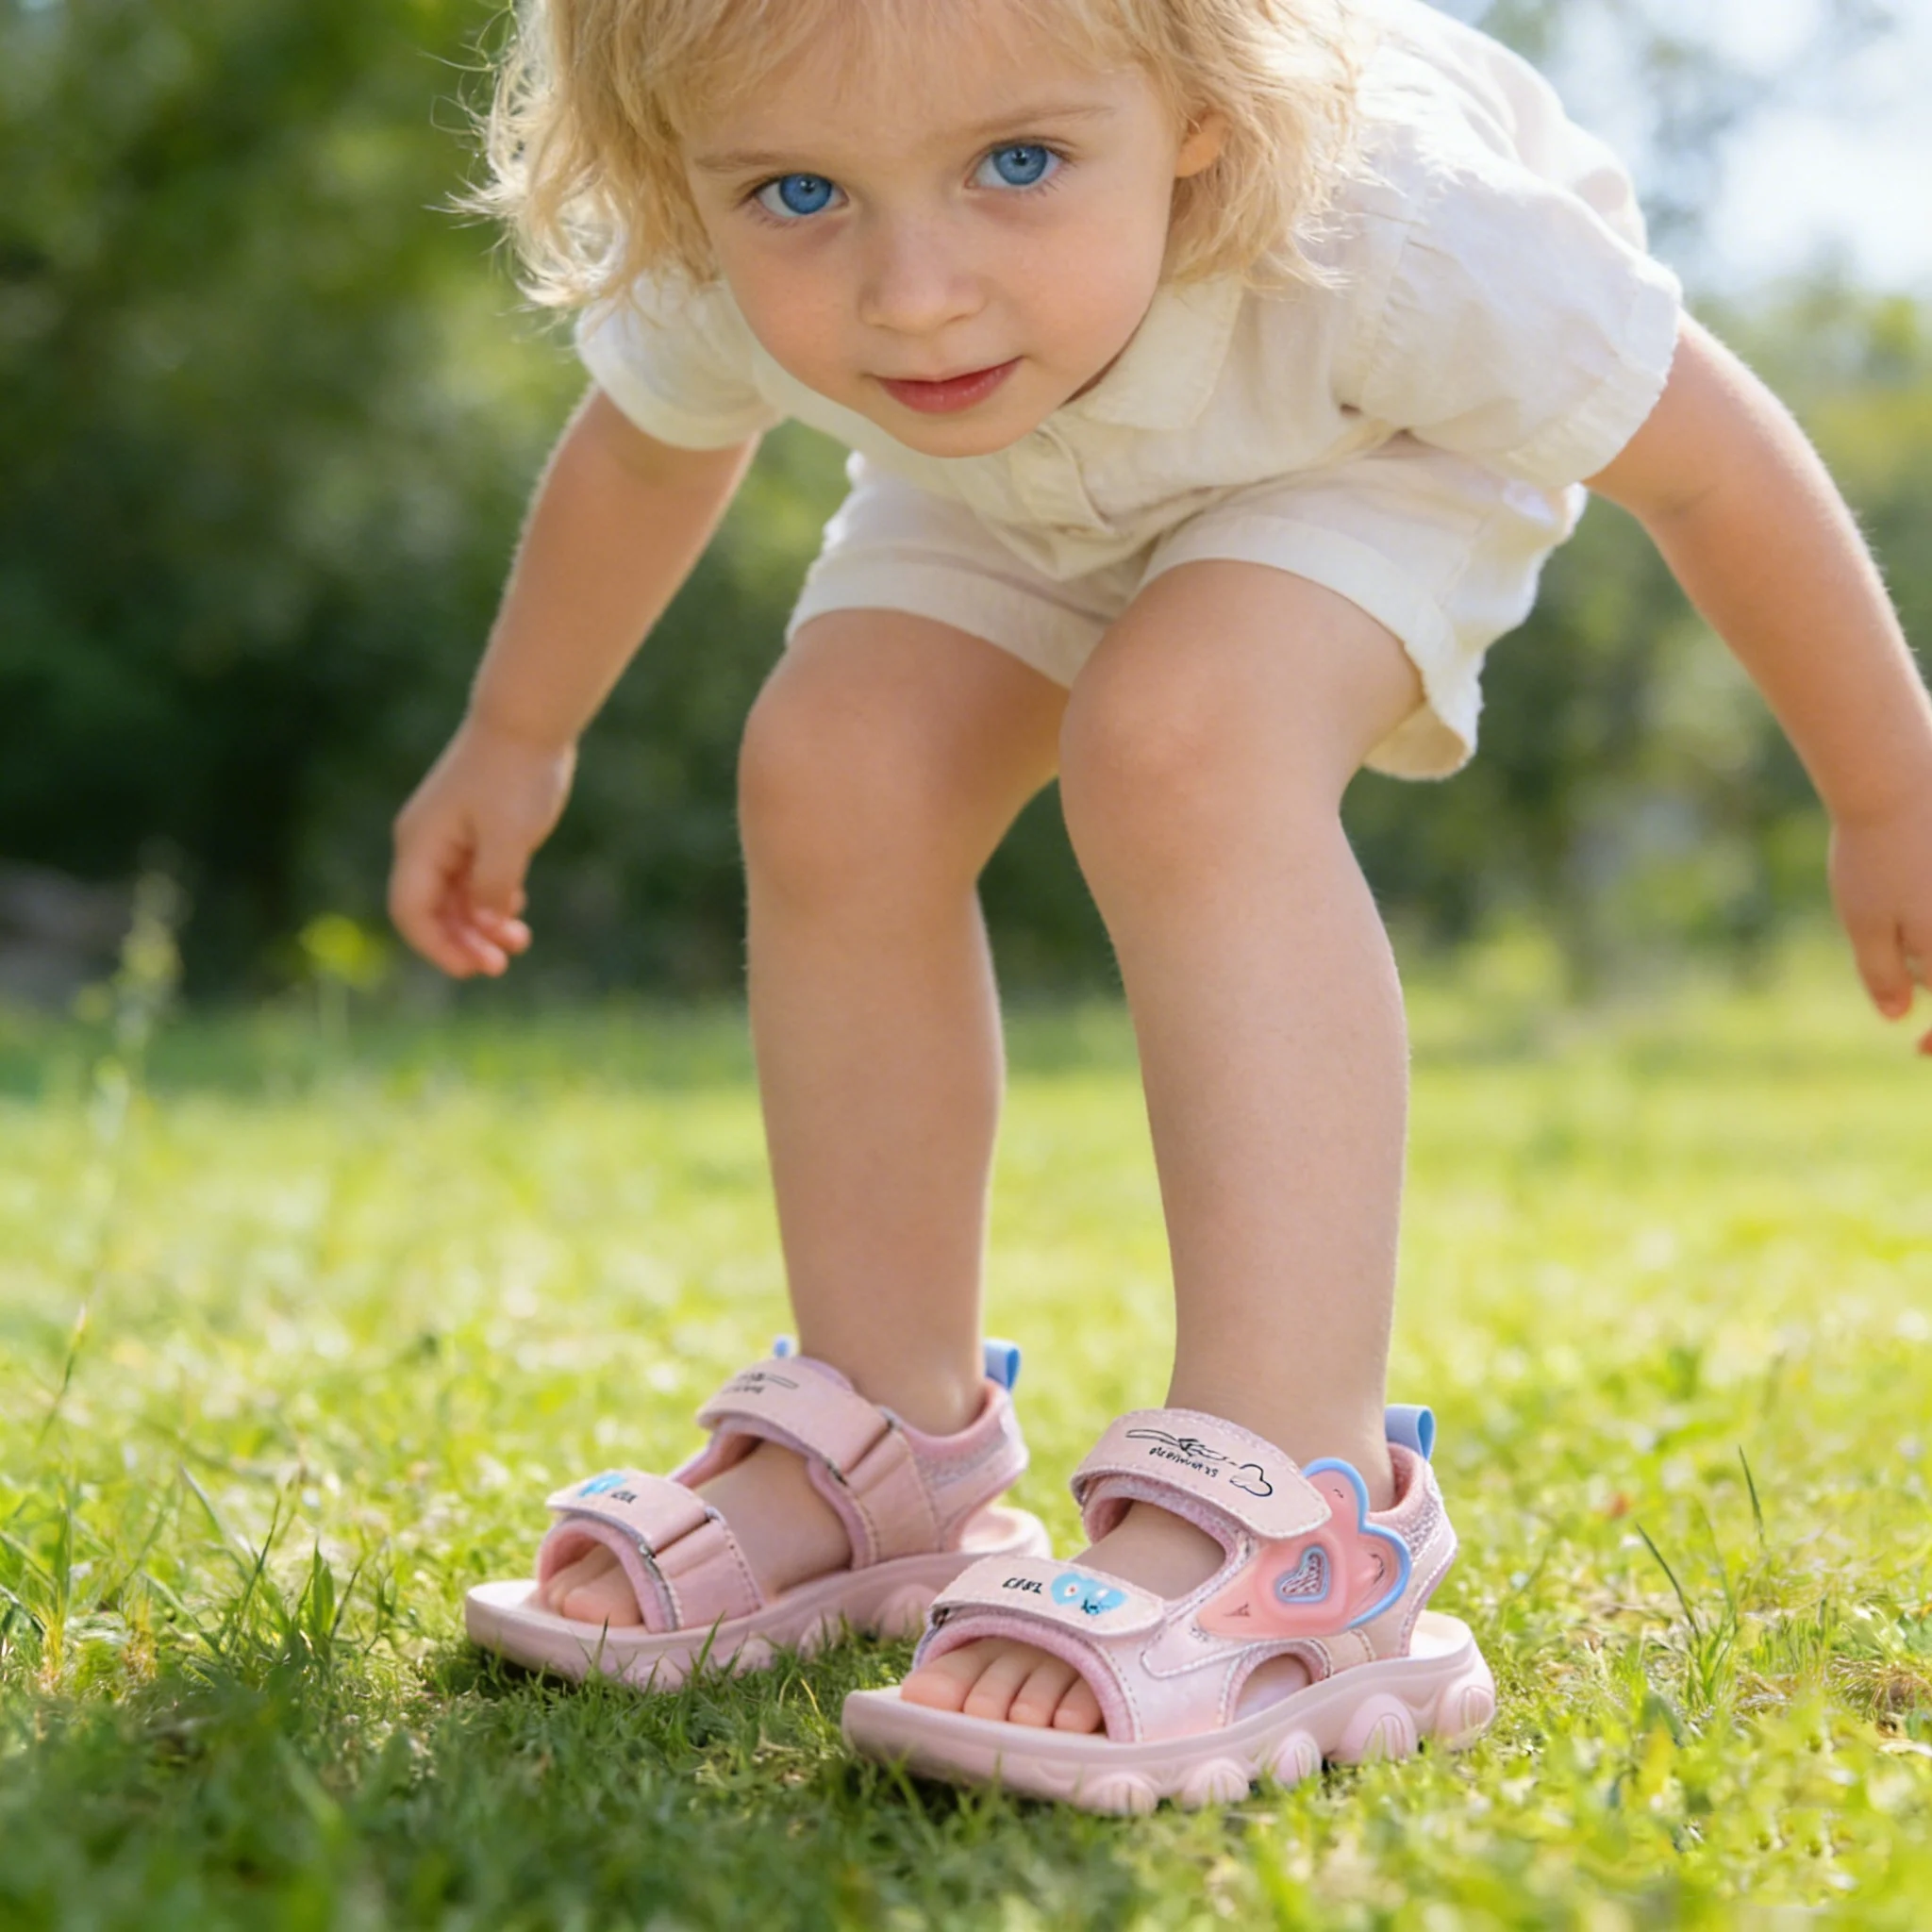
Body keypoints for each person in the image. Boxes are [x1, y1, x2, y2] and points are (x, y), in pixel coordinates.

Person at [389, 0, 1932, 1808]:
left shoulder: (1412, 233)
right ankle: (888, 1439)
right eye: (803, 193)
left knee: (1181, 738)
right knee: (837, 769)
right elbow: (650, 450)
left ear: (1194, 108)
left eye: (1017, 166)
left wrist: (1891, 786)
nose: (913, 295)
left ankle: (1310, 1516)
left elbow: (1706, 458)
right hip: (998, 480)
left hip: (1362, 442)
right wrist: (517, 731)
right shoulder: (763, 207)